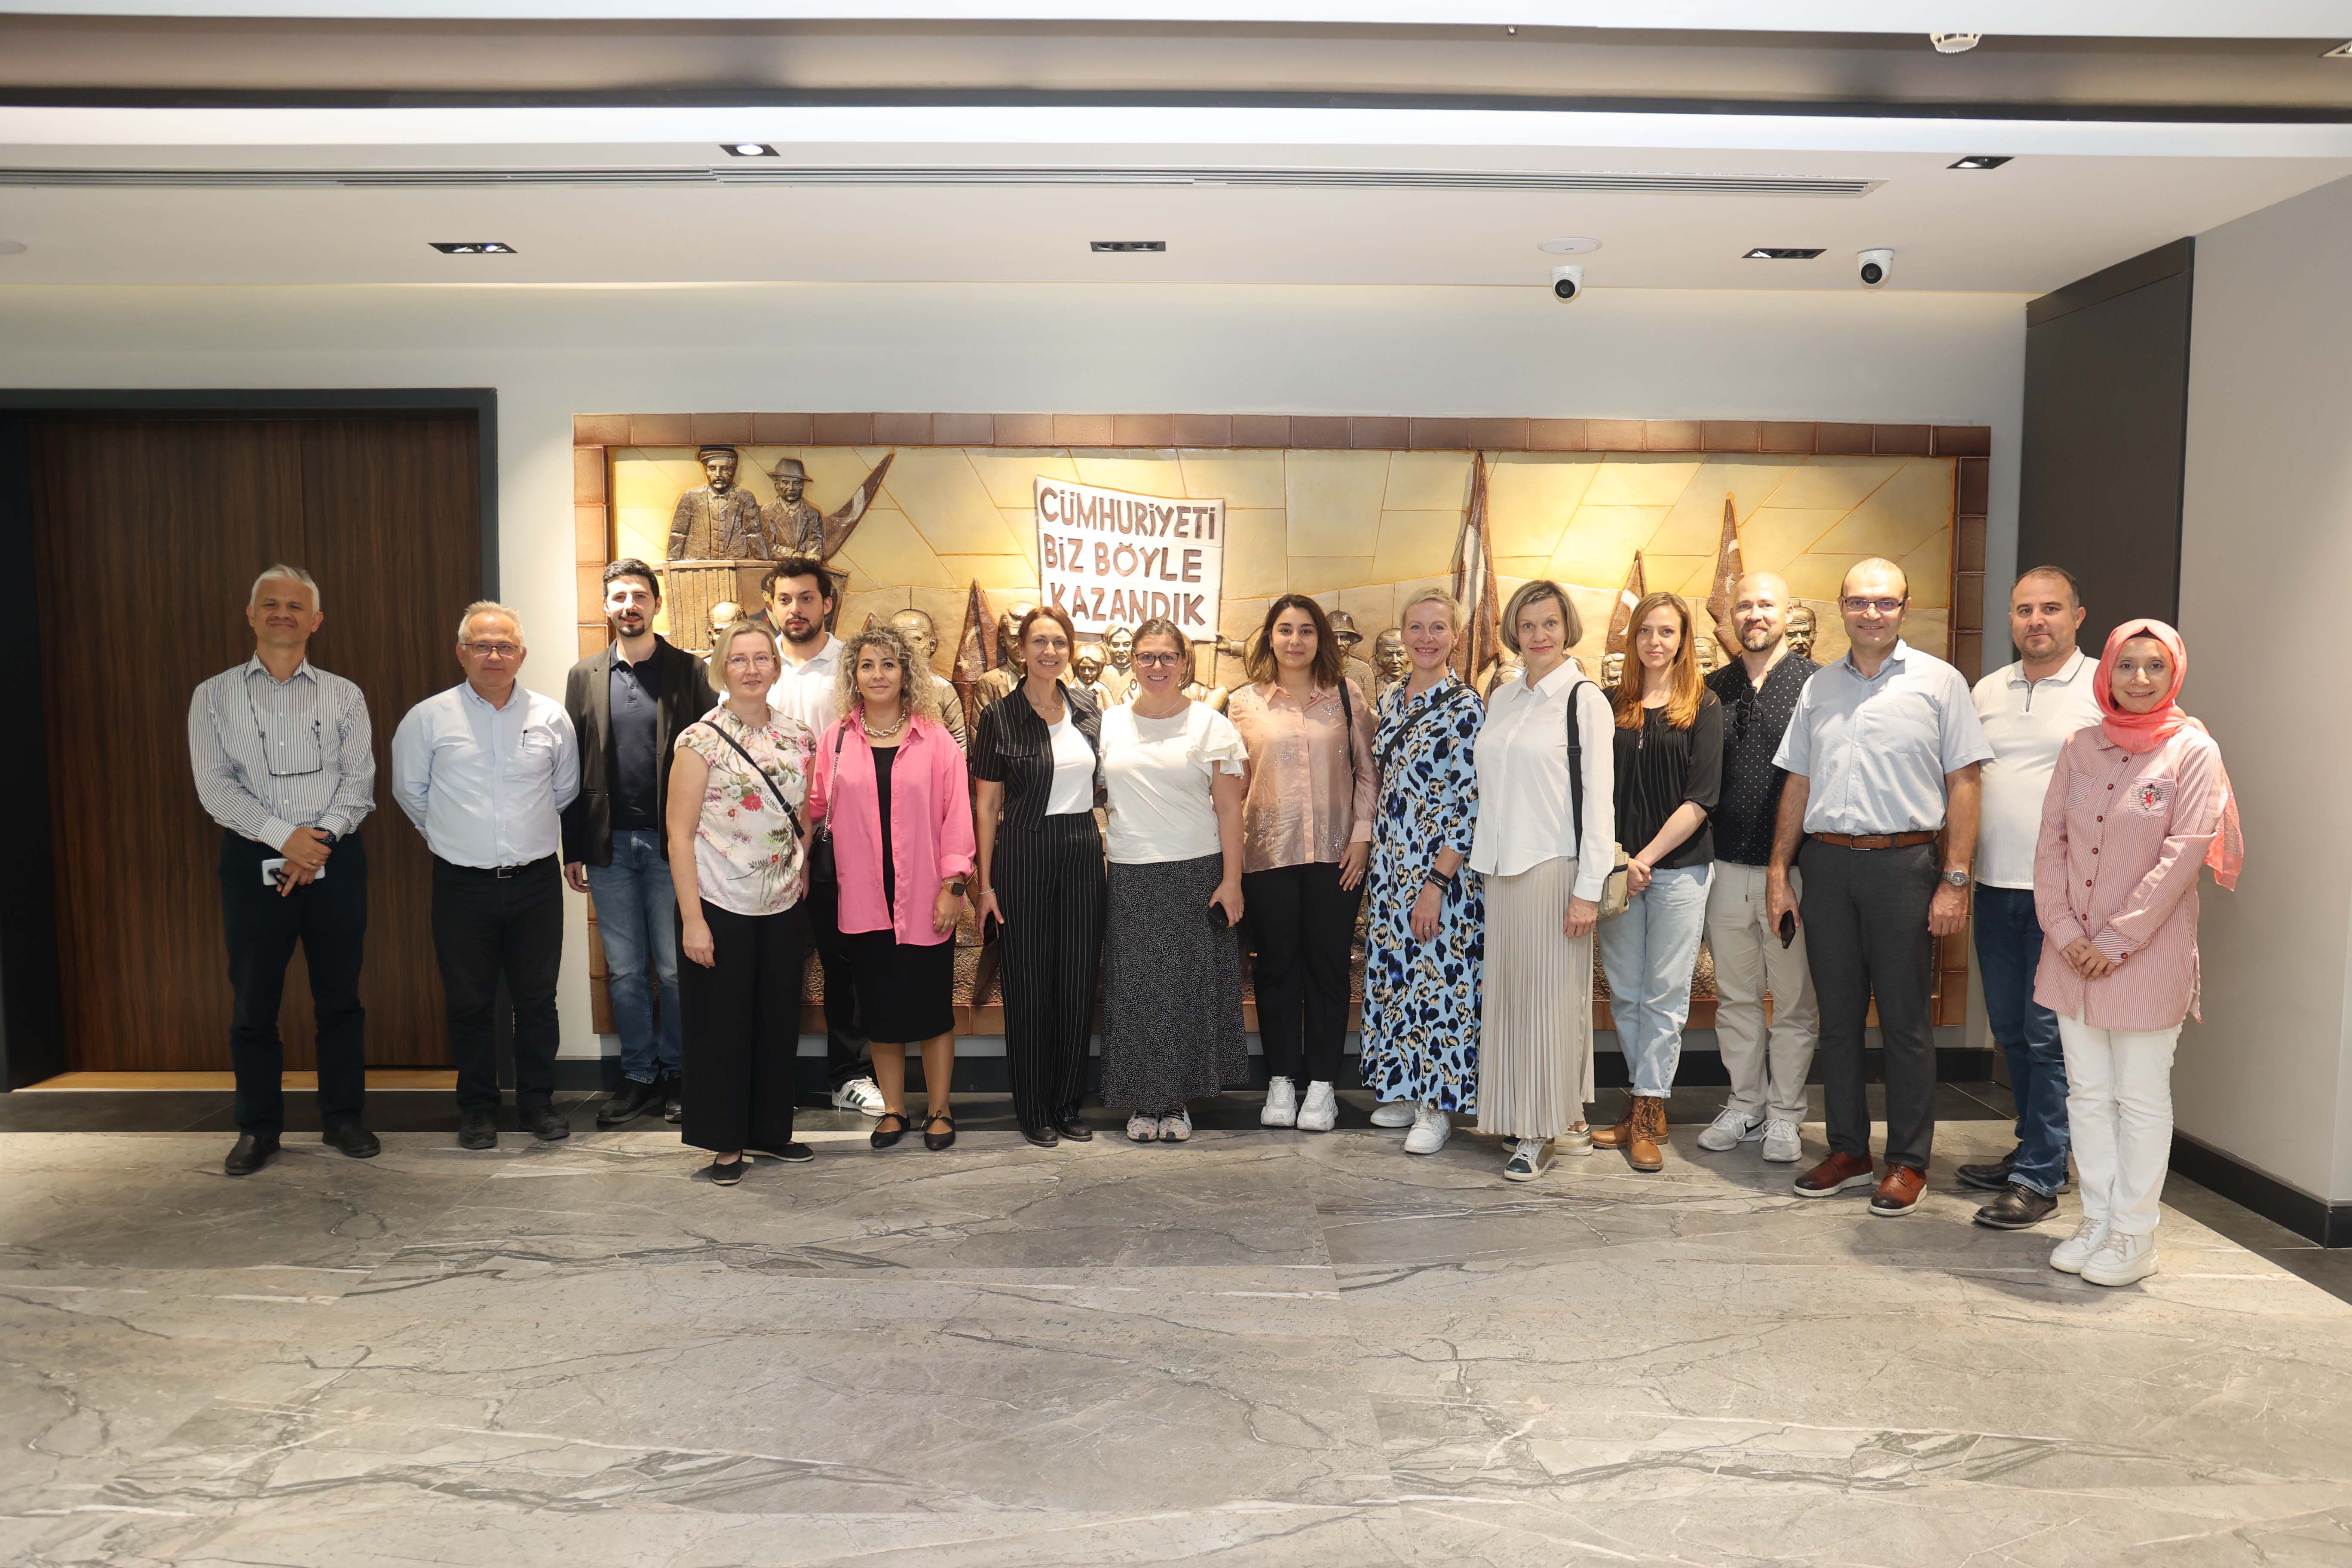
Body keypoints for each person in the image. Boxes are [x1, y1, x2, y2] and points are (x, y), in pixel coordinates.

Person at [1770, 558, 1994, 1217]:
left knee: (1905, 1023)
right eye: (1860, 602)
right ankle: (1848, 1151)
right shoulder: (1819, 688)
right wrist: (1781, 872)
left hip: (1905, 867)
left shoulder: (1940, 683)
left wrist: (1955, 879)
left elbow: (1965, 782)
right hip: (1828, 867)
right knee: (1837, 1022)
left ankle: (1908, 1161)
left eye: (1885, 602)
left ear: (1904, 607)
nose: (1872, 613)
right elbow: (1799, 781)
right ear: (1841, 606)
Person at [2033, 619, 2240, 1286]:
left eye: (2156, 666)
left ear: (2174, 674)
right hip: (2071, 956)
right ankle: (2097, 1219)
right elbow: (2051, 845)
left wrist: (2115, 942)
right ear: (2108, 673)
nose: (2141, 678)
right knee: (2088, 1095)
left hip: (2146, 957)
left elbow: (2184, 856)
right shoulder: (2080, 747)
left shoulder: (2192, 751)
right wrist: (2067, 934)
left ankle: (2134, 1233)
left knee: (2140, 1097)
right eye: (2127, 665)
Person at [189, 566, 379, 1177]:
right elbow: (216, 788)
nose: (282, 613)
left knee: (340, 999)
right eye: (270, 604)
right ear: (251, 615)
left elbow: (359, 783)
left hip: (335, 859)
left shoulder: (344, 694)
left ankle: (343, 1118)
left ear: (315, 621)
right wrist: (286, 840)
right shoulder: (212, 695)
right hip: (252, 862)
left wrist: (315, 845)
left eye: (296, 606)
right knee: (253, 1002)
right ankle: (258, 1128)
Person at [392, 602, 581, 1150]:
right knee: (468, 1003)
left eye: (504, 646)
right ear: (462, 653)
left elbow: (565, 790)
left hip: (535, 883)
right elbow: (410, 792)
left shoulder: (551, 718)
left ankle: (538, 1103)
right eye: (481, 646)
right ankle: (477, 1108)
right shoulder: (428, 718)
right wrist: (454, 837)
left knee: (537, 1002)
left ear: (521, 654)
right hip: (462, 885)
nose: (493, 656)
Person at [1963, 567, 2105, 1230]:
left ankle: (2041, 1177)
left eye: (2051, 608)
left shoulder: (2103, 687)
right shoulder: (1988, 690)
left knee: (2049, 1038)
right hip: (1995, 888)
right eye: (2024, 610)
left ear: (2078, 616)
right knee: (2012, 1032)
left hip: (2064, 900)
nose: (2036, 621)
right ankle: (2034, 1148)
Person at [563, 559, 717, 1130]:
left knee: (675, 969)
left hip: (673, 846)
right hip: (608, 847)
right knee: (626, 971)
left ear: (656, 604)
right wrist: (573, 846)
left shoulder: (690, 672)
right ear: (607, 606)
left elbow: (711, 757)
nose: (630, 605)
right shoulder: (584, 675)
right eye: (620, 596)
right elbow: (571, 766)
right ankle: (638, 1075)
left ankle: (679, 1072)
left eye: (640, 595)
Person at [1468, 580, 1614, 1182]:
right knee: (1511, 1003)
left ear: (1566, 627)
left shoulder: (1584, 699)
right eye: (1528, 625)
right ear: (1514, 631)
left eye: (1549, 623)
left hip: (1556, 869)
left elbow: (1600, 802)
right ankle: (1520, 1116)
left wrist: (1587, 890)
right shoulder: (1503, 698)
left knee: (1551, 1007)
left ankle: (1541, 1131)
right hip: (1501, 870)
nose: (1539, 636)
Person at [809, 624, 974, 1153]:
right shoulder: (835, 740)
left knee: (932, 1010)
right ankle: (895, 1110)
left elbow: (958, 816)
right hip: (862, 897)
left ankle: (940, 1110)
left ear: (906, 674)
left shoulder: (935, 739)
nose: (878, 675)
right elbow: (815, 809)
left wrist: (954, 885)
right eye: (867, 665)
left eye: (889, 664)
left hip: (927, 896)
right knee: (878, 1012)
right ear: (853, 676)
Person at [667, 620, 817, 1182]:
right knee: (720, 1028)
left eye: (761, 658)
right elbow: (678, 835)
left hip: (781, 903)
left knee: (776, 1023)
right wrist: (693, 921)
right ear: (721, 669)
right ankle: (726, 1142)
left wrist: (801, 866)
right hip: (718, 902)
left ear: (776, 668)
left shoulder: (799, 736)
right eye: (739, 659)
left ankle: (771, 1131)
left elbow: (804, 812)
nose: (751, 669)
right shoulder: (699, 739)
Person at [1227, 595, 1377, 1134]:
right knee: (1276, 970)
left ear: (1321, 639)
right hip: (1266, 857)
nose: (1296, 640)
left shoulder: (1347, 696)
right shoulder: (1243, 704)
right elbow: (1233, 790)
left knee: (1329, 969)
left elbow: (1369, 772)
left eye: (1307, 630)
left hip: (1338, 858)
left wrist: (1361, 838)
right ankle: (1281, 1081)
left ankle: (1322, 1086)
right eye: (1285, 630)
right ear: (1270, 637)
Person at [1097, 617, 1249, 1143]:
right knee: (1137, 990)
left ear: (1185, 662)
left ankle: (1177, 1102)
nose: (1156, 666)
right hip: (1130, 871)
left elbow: (1230, 811)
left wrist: (1232, 881)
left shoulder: (1211, 726)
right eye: (1146, 656)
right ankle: (1145, 1100)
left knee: (1186, 990)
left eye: (1168, 656)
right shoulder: (1110, 723)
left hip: (1195, 870)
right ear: (1132, 662)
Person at [1593, 591, 1722, 1173]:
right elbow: (1594, 792)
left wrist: (1643, 859)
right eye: (1645, 630)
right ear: (1633, 638)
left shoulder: (1704, 705)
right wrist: (1622, 863)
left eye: (1667, 632)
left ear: (1683, 639)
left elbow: (1701, 799)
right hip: (1618, 872)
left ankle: (1646, 1114)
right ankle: (1646, 1100)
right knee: (1625, 990)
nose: (1655, 641)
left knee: (1666, 993)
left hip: (1679, 871)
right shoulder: (1609, 704)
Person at [971, 604, 1106, 1146]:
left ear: (1069, 650)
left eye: (1059, 643)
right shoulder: (999, 717)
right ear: (1021, 650)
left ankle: (1068, 1104)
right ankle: (1033, 1109)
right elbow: (986, 807)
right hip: (1023, 851)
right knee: (1028, 986)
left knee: (1077, 982)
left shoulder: (1088, 707)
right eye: (1040, 642)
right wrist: (985, 886)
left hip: (1082, 850)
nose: (1050, 651)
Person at [1697, 572, 1820, 1166]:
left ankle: (1786, 1115)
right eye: (1744, 605)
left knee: (1793, 1002)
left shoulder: (1816, 685)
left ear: (1788, 612)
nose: (1754, 614)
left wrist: (1784, 868)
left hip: (1793, 873)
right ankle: (1745, 1104)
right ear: (1731, 616)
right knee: (1736, 998)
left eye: (1766, 604)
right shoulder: (1711, 689)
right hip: (1723, 868)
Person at [1358, 591, 1484, 1156]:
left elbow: (1471, 803)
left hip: (1441, 875)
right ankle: (1409, 1091)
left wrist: (1436, 884)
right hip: (1392, 869)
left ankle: (1438, 1106)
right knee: (1401, 980)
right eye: (1416, 627)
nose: (1425, 638)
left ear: (1455, 636)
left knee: (1439, 983)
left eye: (1437, 628)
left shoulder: (1465, 707)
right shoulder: (1392, 697)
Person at [760, 556, 883, 1118]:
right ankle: (767, 1081)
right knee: (771, 963)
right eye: (785, 600)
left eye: (806, 598)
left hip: (838, 837)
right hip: (767, 840)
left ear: (828, 604)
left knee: (846, 962)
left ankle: (849, 1075)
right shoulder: (756, 663)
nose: (796, 609)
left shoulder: (852, 666)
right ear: (771, 607)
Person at [888, 606, 969, 748]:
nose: (906, 647)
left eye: (915, 640)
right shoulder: (880, 686)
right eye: (898, 640)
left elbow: (959, 742)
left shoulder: (943, 690)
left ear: (932, 645)